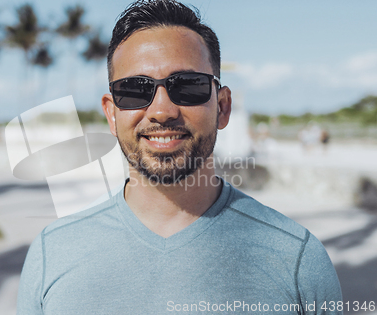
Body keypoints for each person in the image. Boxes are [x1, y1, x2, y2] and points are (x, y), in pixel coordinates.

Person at [17, 1, 342, 313]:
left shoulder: (297, 260)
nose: (161, 111)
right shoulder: (53, 254)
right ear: (111, 114)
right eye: (134, 89)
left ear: (223, 107)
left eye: (187, 86)